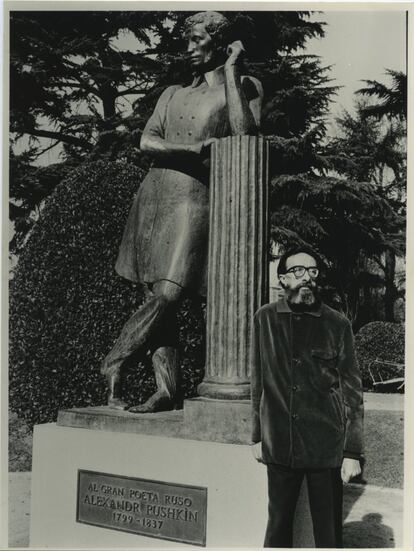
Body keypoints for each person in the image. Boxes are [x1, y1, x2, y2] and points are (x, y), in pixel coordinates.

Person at [101, 11, 263, 412]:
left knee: (170, 293)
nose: (189, 49)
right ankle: (166, 390)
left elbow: (244, 135)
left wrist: (230, 71)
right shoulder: (171, 93)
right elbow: (146, 141)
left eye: (197, 40)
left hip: (196, 199)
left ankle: (114, 361)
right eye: (187, 41)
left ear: (220, 42)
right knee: (156, 295)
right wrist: (194, 150)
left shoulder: (245, 86)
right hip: (154, 196)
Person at [251, 246, 364, 548]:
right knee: (278, 528)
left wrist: (352, 452)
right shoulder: (265, 319)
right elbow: (258, 382)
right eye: (298, 271)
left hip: (325, 449)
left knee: (327, 534)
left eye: (313, 272)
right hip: (280, 444)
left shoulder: (337, 323)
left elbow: (352, 392)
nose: (307, 279)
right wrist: (256, 436)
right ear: (283, 279)